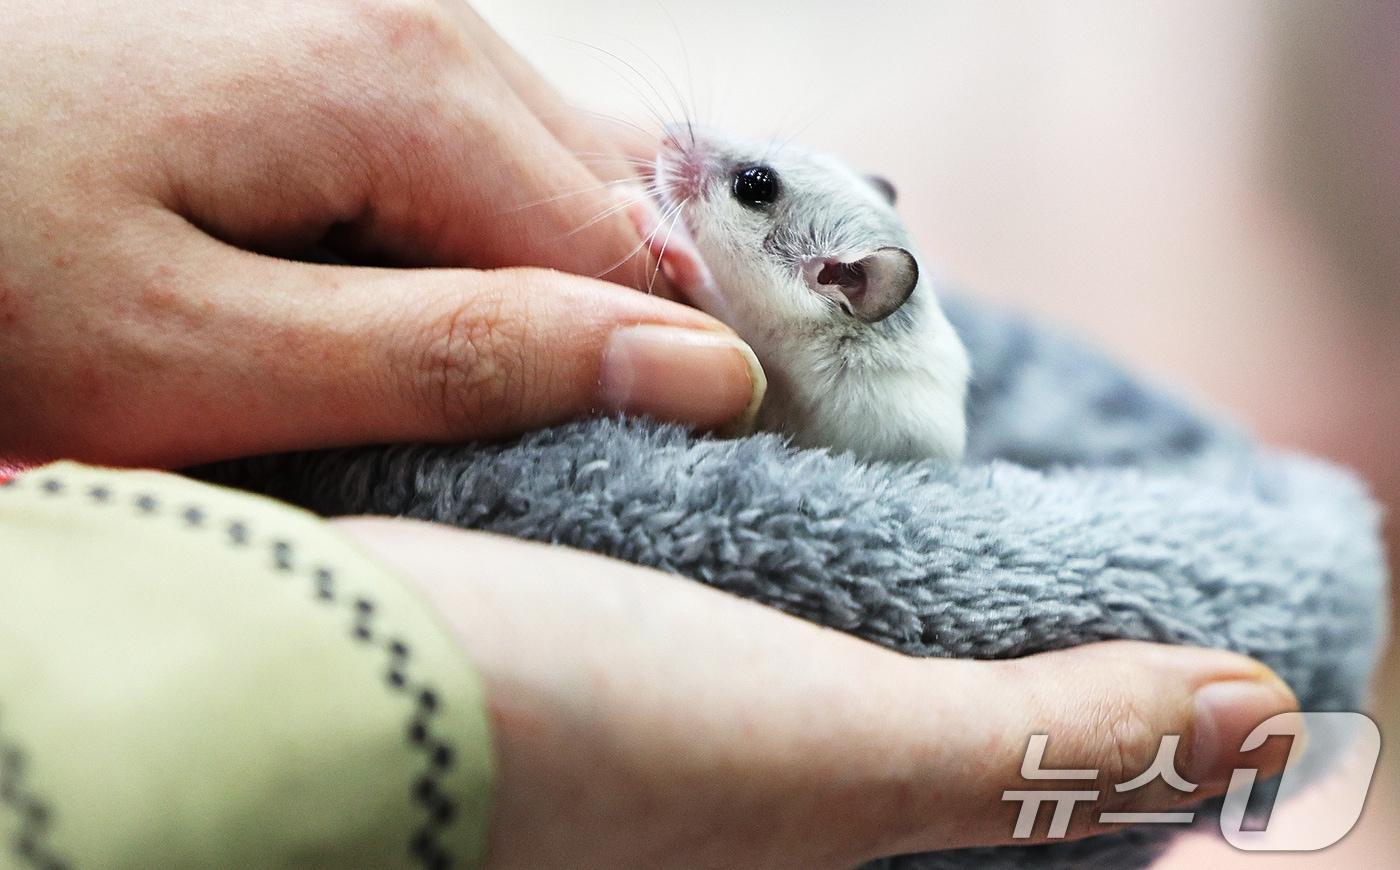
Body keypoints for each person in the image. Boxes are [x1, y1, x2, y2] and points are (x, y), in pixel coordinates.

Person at [0, 2, 1298, 867]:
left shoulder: (881, 387)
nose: (698, 163)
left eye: (747, 188)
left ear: (838, 283)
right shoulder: (818, 291)